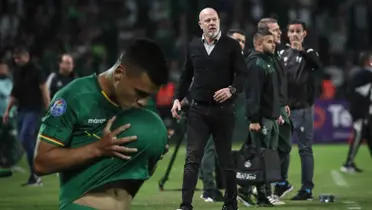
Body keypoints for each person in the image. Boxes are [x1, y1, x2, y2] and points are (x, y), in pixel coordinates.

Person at [33, 38, 170, 210]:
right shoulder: (74, 97)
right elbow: (41, 163)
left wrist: (152, 150)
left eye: (148, 95)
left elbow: (144, 172)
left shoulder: (141, 105)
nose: (143, 102)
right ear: (119, 73)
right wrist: (98, 148)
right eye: (139, 93)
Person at [171, 7, 247, 210]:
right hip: (198, 111)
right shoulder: (194, 45)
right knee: (192, 158)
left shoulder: (231, 45)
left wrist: (232, 89)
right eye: (207, 21)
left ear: (219, 21)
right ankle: (186, 205)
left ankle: (231, 205)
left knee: (225, 160)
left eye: (214, 19)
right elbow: (186, 75)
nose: (212, 23)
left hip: (223, 111)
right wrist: (178, 98)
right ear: (200, 24)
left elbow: (243, 75)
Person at [199, 28, 246, 203]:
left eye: (242, 41)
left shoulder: (239, 60)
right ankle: (209, 189)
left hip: (232, 110)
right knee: (209, 150)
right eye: (236, 40)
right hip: (214, 110)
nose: (239, 44)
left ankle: (223, 186)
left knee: (223, 151)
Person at [280, 19, 322, 200]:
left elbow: (317, 66)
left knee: (305, 149)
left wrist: (301, 51)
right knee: (282, 148)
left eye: (298, 31)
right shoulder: (281, 53)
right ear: (287, 34)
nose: (295, 34)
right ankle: (281, 183)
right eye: (292, 31)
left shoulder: (310, 53)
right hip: (285, 110)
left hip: (303, 109)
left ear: (304, 34)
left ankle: (306, 189)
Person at [257, 18, 294, 201]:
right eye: (275, 30)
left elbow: (279, 83)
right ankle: (262, 188)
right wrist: (275, 107)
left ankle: (269, 184)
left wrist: (284, 101)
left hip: (279, 106)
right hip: (271, 110)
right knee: (269, 150)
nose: (280, 32)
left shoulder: (276, 54)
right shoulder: (262, 57)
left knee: (283, 148)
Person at [2, 47, 50, 186]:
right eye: (15, 58)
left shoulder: (37, 70)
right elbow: (14, 92)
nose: (17, 60)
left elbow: (44, 89)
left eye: (19, 58)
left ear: (26, 56)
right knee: (25, 141)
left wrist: (49, 108)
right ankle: (35, 173)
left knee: (25, 137)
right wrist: (7, 111)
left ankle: (37, 171)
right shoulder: (17, 72)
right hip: (21, 110)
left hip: (34, 110)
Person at [244, 30, 280, 207]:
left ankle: (259, 193)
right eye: (269, 41)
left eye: (273, 41)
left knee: (268, 158)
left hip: (271, 118)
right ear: (258, 44)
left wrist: (277, 113)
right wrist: (254, 119)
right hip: (262, 119)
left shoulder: (267, 62)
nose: (273, 44)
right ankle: (260, 196)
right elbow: (253, 95)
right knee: (262, 158)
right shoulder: (256, 64)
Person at [341, 51, 372, 173]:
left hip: (360, 108)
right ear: (366, 61)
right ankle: (348, 163)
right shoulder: (365, 73)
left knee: (369, 135)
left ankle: (349, 162)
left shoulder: (358, 73)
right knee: (359, 133)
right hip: (361, 109)